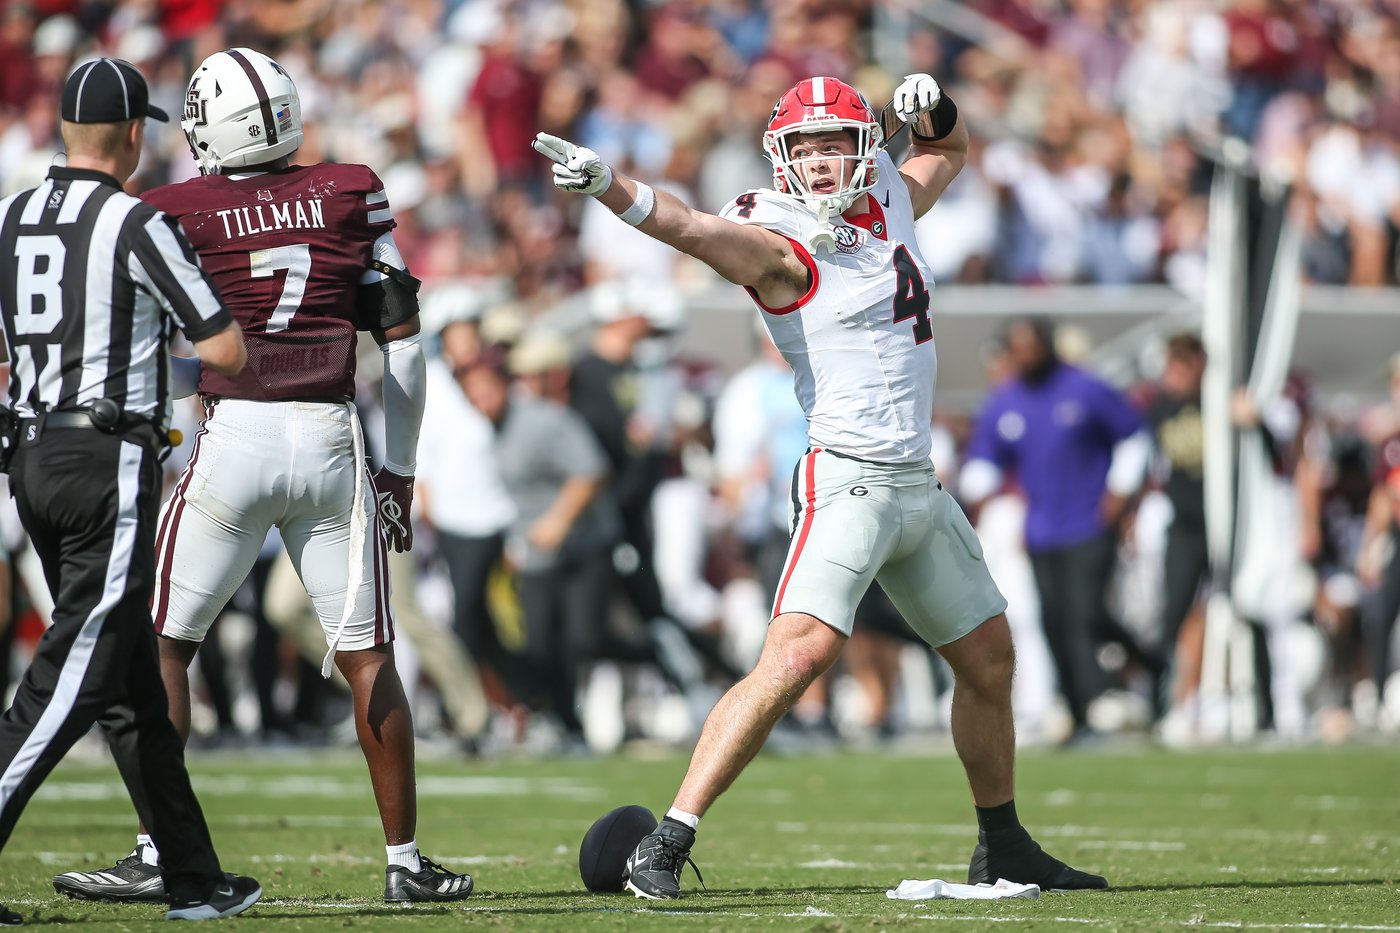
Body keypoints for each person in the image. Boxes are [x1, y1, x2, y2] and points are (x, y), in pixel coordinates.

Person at [533, 73, 1107, 898]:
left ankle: (1004, 843)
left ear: (865, 145)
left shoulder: (889, 196)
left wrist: (934, 106)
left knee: (990, 659)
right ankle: (667, 838)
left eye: (835, 142)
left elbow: (948, 146)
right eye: (804, 147)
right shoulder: (778, 239)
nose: (820, 160)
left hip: (919, 483)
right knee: (797, 655)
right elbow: (690, 227)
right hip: (849, 482)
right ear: (781, 156)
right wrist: (610, 188)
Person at [52, 48, 472, 905]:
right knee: (368, 656)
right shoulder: (351, 188)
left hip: (234, 434)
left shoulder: (172, 208)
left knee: (165, 644)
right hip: (331, 439)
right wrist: (399, 468)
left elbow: (153, 347)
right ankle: (404, 862)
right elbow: (404, 343)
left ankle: (157, 849)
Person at [0, 57, 260, 922]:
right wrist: (154, 359)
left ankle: (191, 875)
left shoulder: (11, 215)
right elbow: (224, 350)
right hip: (106, 457)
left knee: (126, 677)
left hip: (31, 455)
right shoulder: (134, 221)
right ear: (133, 136)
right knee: (75, 668)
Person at [962, 318, 1160, 740]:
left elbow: (1134, 435)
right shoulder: (1007, 401)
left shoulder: (1084, 388)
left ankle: (1121, 681)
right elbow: (984, 460)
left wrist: (1119, 492)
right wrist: (971, 489)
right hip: (1041, 530)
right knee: (1054, 620)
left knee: (1084, 614)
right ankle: (1078, 710)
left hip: (1089, 521)